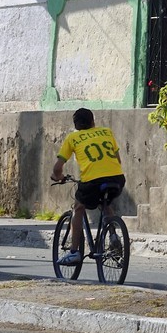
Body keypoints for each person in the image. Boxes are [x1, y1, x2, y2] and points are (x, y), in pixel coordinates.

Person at [50, 108, 126, 264]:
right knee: (105, 203)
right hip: (117, 178)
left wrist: (58, 177)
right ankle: (113, 236)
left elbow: (58, 168)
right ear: (93, 121)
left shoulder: (73, 138)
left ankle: (74, 251)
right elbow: (118, 160)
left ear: (76, 125)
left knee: (78, 207)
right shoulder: (107, 132)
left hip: (92, 181)